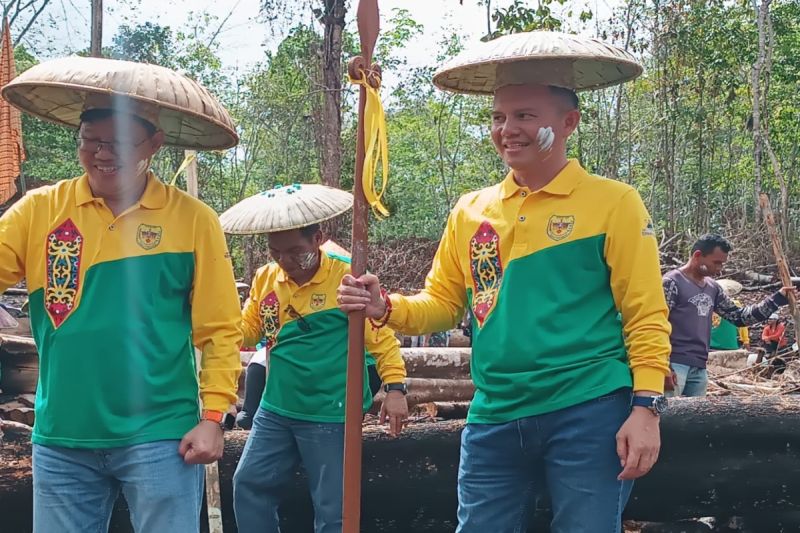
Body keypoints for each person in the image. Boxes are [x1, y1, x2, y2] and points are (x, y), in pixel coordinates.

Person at [338, 31, 671, 533]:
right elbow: (444, 304)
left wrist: (646, 407)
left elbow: (645, 311)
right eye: (498, 117)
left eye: (524, 116)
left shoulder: (614, 203)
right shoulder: (472, 211)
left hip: (589, 408)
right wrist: (384, 306)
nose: (507, 130)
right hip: (494, 412)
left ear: (568, 123)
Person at [0, 57, 242, 532]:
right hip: (62, 436)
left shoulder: (192, 220)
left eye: (118, 143)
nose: (102, 154)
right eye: (91, 141)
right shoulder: (39, 211)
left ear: (154, 143)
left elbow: (219, 327)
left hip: (160, 437)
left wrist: (214, 414)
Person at [226, 185, 408, 533]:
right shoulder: (267, 278)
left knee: (334, 509)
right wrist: (214, 325)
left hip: (331, 411)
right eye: (276, 252)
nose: (286, 261)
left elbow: (380, 334)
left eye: (295, 251)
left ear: (317, 239)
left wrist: (396, 387)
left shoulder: (346, 277)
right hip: (277, 407)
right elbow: (248, 329)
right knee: (249, 485)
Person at [663, 234, 794, 397]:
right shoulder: (672, 282)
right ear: (698, 256)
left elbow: (739, 317)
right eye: (716, 262)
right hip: (675, 363)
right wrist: (663, 366)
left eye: (722, 263)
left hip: (699, 366)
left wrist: (777, 299)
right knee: (668, 417)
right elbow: (658, 325)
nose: (719, 268)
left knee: (695, 420)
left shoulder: (712, 287)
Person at [710, 279, 750, 351]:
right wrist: (745, 340)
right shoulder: (734, 304)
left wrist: (745, 340)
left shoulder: (711, 303)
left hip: (711, 343)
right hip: (728, 342)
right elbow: (742, 324)